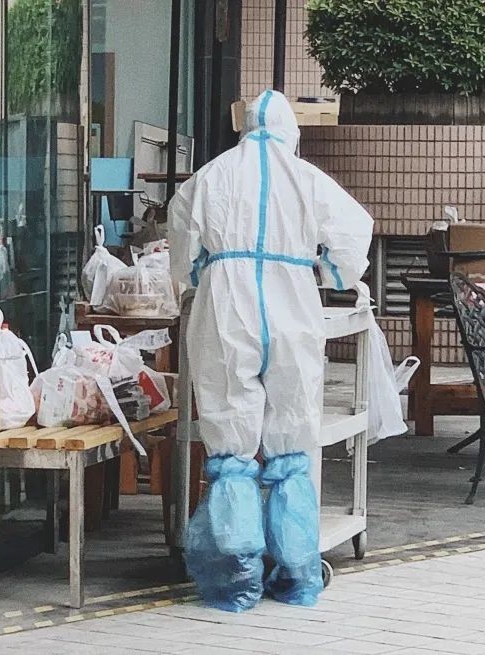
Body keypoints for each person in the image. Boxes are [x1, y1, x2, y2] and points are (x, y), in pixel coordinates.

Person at [168, 89, 374, 611]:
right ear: (290, 131)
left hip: (225, 306)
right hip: (293, 306)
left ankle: (236, 576)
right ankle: (297, 572)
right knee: (292, 433)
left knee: (229, 434)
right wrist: (330, 273)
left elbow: (181, 245)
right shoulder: (308, 178)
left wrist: (198, 275)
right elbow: (355, 232)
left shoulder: (209, 177)